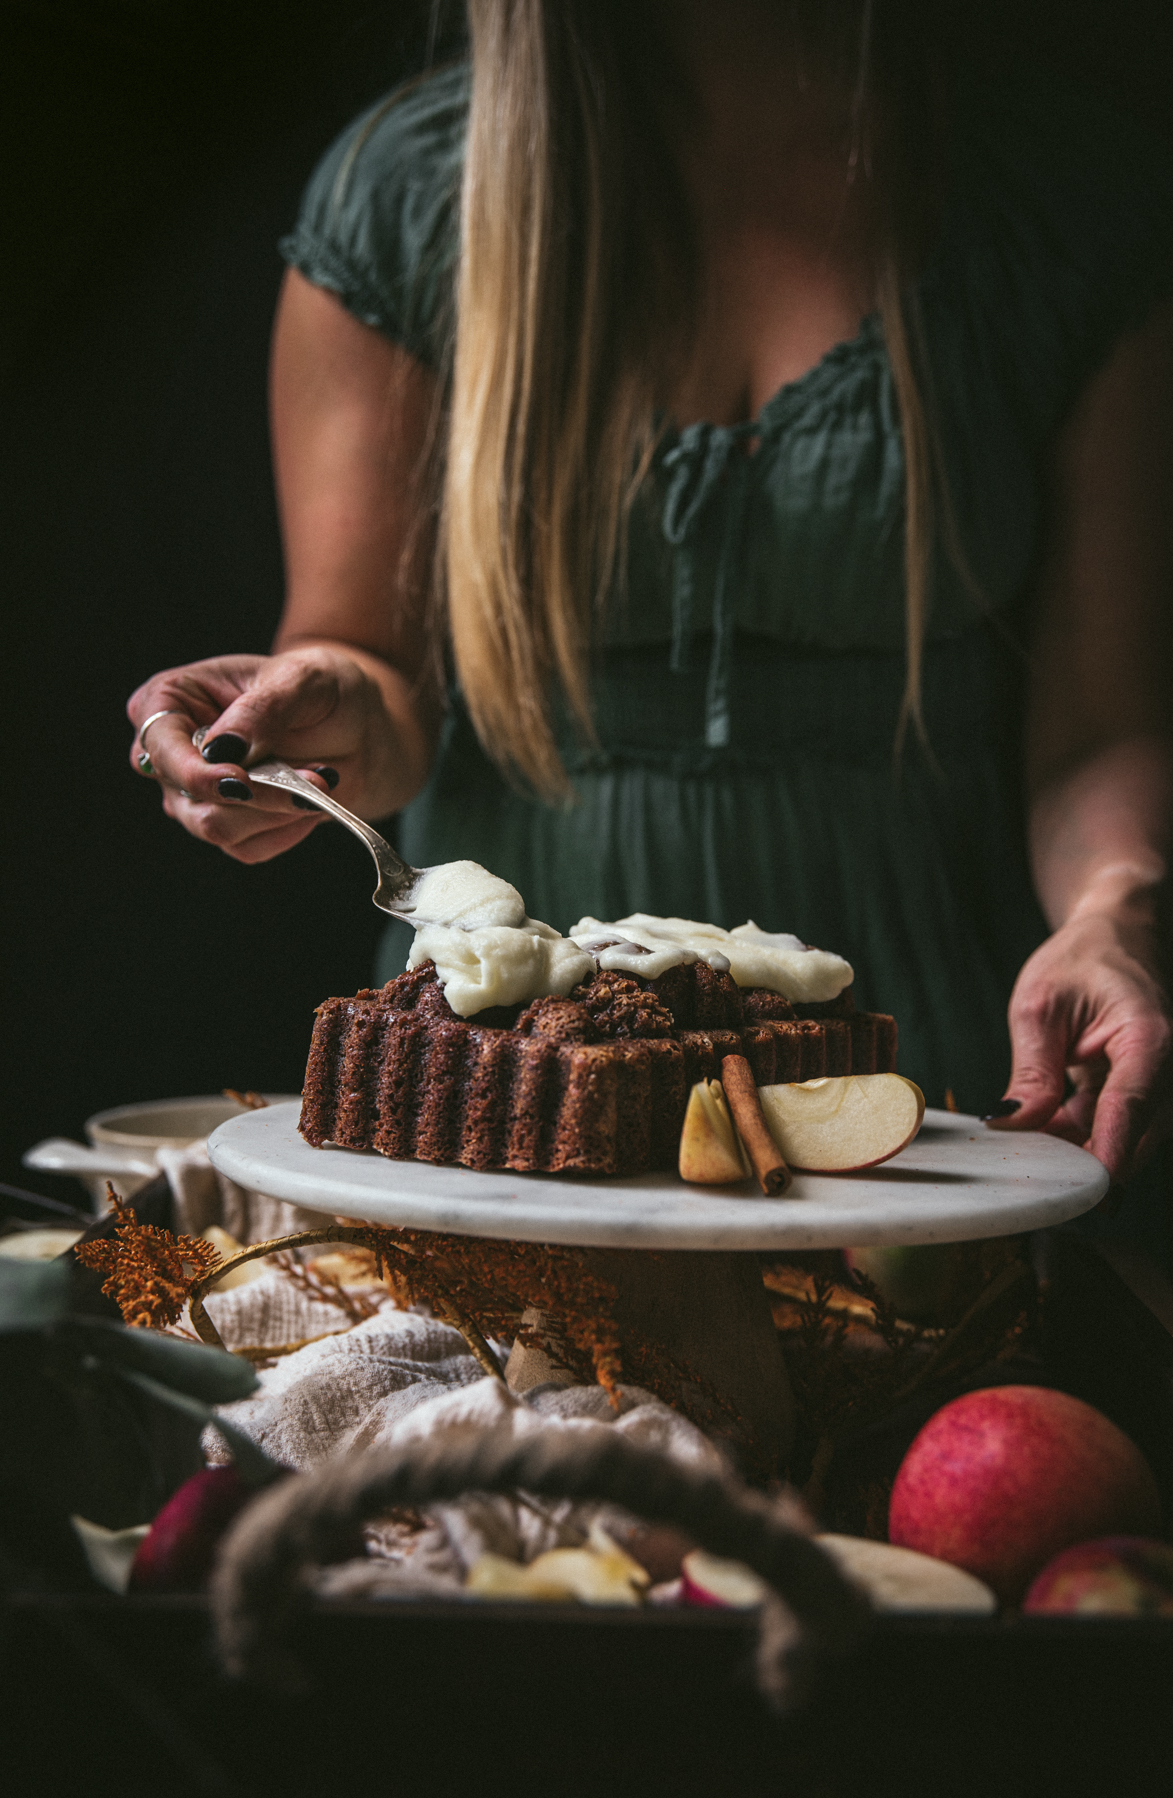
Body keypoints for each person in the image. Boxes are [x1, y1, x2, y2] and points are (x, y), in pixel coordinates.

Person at [127, 2, 1173, 1234]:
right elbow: (375, 679)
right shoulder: (409, 201)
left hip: (937, 1091)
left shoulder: (1060, 196)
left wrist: (1119, 906)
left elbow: (1101, 725)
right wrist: (313, 713)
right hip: (506, 1102)